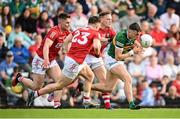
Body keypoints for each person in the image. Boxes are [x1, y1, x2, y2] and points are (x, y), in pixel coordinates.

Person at [23, 16, 102, 108]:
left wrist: (65, 51)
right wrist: (97, 53)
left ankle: (86, 100)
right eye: (99, 26)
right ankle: (35, 94)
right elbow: (96, 47)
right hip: (75, 61)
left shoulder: (78, 30)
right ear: (97, 25)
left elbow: (66, 41)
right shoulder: (95, 33)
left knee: (90, 76)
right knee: (60, 84)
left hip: (74, 59)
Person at [12, 13, 71, 108]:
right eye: (67, 23)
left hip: (51, 60)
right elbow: (46, 46)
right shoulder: (54, 32)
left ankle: (56, 105)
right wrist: (46, 60)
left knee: (60, 81)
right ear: (60, 21)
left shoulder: (66, 32)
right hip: (41, 59)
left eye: (69, 23)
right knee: (36, 87)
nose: (69, 25)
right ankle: (19, 78)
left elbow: (69, 42)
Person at [91, 23, 143, 109]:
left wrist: (139, 46)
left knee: (108, 88)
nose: (137, 36)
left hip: (117, 62)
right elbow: (118, 57)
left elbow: (134, 41)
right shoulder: (121, 37)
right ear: (129, 31)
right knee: (128, 79)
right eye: (136, 34)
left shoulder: (132, 36)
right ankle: (131, 104)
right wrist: (132, 52)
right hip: (112, 60)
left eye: (138, 35)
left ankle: (84, 87)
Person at [85, 12, 116, 109]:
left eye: (111, 19)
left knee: (104, 82)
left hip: (97, 57)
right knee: (69, 80)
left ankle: (107, 105)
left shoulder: (110, 30)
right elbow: (99, 39)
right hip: (85, 56)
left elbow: (116, 39)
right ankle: (55, 91)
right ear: (101, 19)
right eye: (108, 19)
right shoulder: (94, 28)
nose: (110, 21)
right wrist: (109, 40)